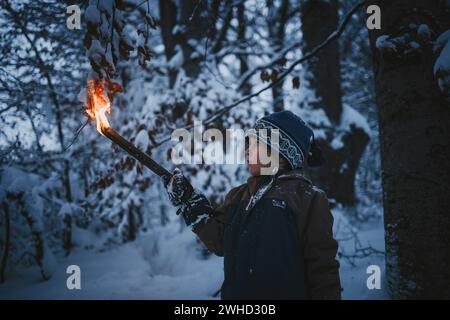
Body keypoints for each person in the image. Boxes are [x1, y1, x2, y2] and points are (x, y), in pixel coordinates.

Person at [166, 110, 341, 299]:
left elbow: (323, 269)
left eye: (255, 144)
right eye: (248, 144)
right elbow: (220, 241)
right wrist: (190, 202)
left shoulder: (307, 198)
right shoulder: (238, 196)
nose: (247, 150)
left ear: (279, 152)